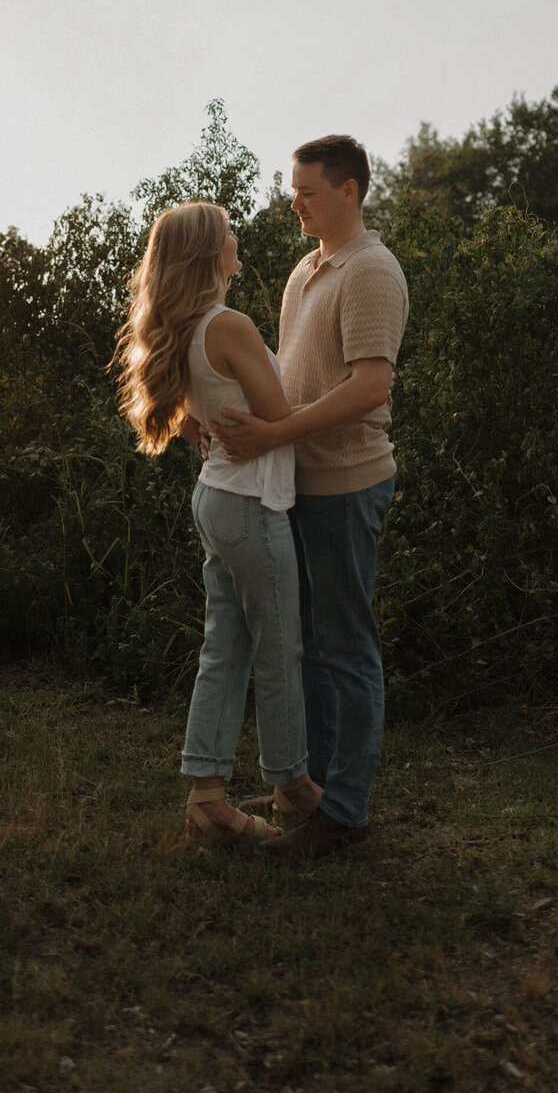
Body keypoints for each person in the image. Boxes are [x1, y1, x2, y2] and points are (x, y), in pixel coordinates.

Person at [211, 135, 408, 861]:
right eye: (292, 189)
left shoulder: (371, 271)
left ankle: (347, 812)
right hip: (297, 481)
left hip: (349, 484)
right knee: (313, 647)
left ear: (350, 191)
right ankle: (318, 790)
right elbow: (290, 378)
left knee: (348, 646)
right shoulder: (305, 271)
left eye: (309, 191)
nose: (294, 201)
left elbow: (370, 386)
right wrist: (241, 425)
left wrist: (277, 433)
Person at [115, 200, 322, 845]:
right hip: (252, 508)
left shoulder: (185, 324)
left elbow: (191, 410)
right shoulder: (227, 325)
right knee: (280, 647)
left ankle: (207, 797)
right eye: (229, 234)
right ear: (211, 253)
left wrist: (200, 422)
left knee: (224, 648)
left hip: (216, 499)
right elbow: (278, 410)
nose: (238, 240)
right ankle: (292, 787)